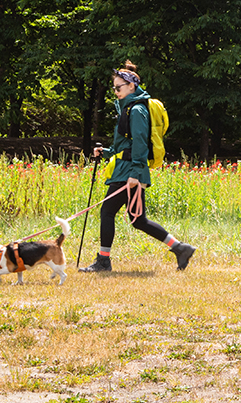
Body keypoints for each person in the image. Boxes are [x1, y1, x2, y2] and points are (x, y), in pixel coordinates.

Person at [79, 61, 195, 273]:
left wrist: (135, 174)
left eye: (118, 88)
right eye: (114, 88)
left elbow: (140, 143)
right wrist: (105, 152)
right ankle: (180, 248)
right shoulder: (129, 108)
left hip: (129, 172)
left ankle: (104, 261)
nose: (115, 92)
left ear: (131, 86)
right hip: (127, 168)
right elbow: (126, 144)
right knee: (138, 220)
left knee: (107, 211)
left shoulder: (137, 110)